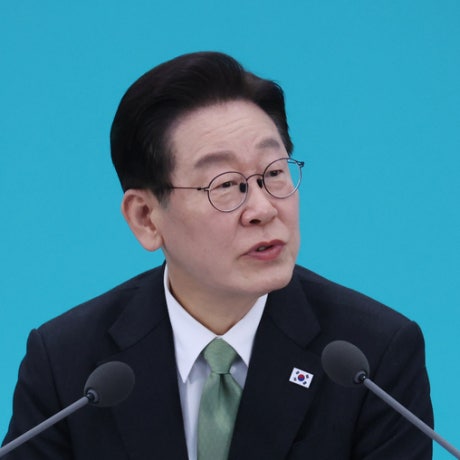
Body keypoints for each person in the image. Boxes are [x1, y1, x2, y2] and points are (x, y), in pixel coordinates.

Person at [2, 51, 433, 459]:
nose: (263, 209)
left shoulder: (372, 357)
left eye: (274, 173)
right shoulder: (68, 366)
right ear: (146, 218)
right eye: (225, 185)